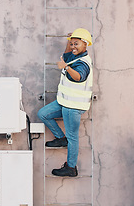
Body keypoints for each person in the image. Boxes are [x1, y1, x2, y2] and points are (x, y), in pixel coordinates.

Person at [37, 28, 93, 177]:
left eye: (77, 44)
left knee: (73, 137)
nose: (73, 47)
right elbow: (67, 55)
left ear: (85, 45)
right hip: (64, 102)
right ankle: (62, 139)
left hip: (74, 107)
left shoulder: (83, 63)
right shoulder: (74, 57)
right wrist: (69, 42)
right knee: (43, 114)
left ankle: (71, 167)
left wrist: (66, 67)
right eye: (72, 44)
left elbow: (79, 77)